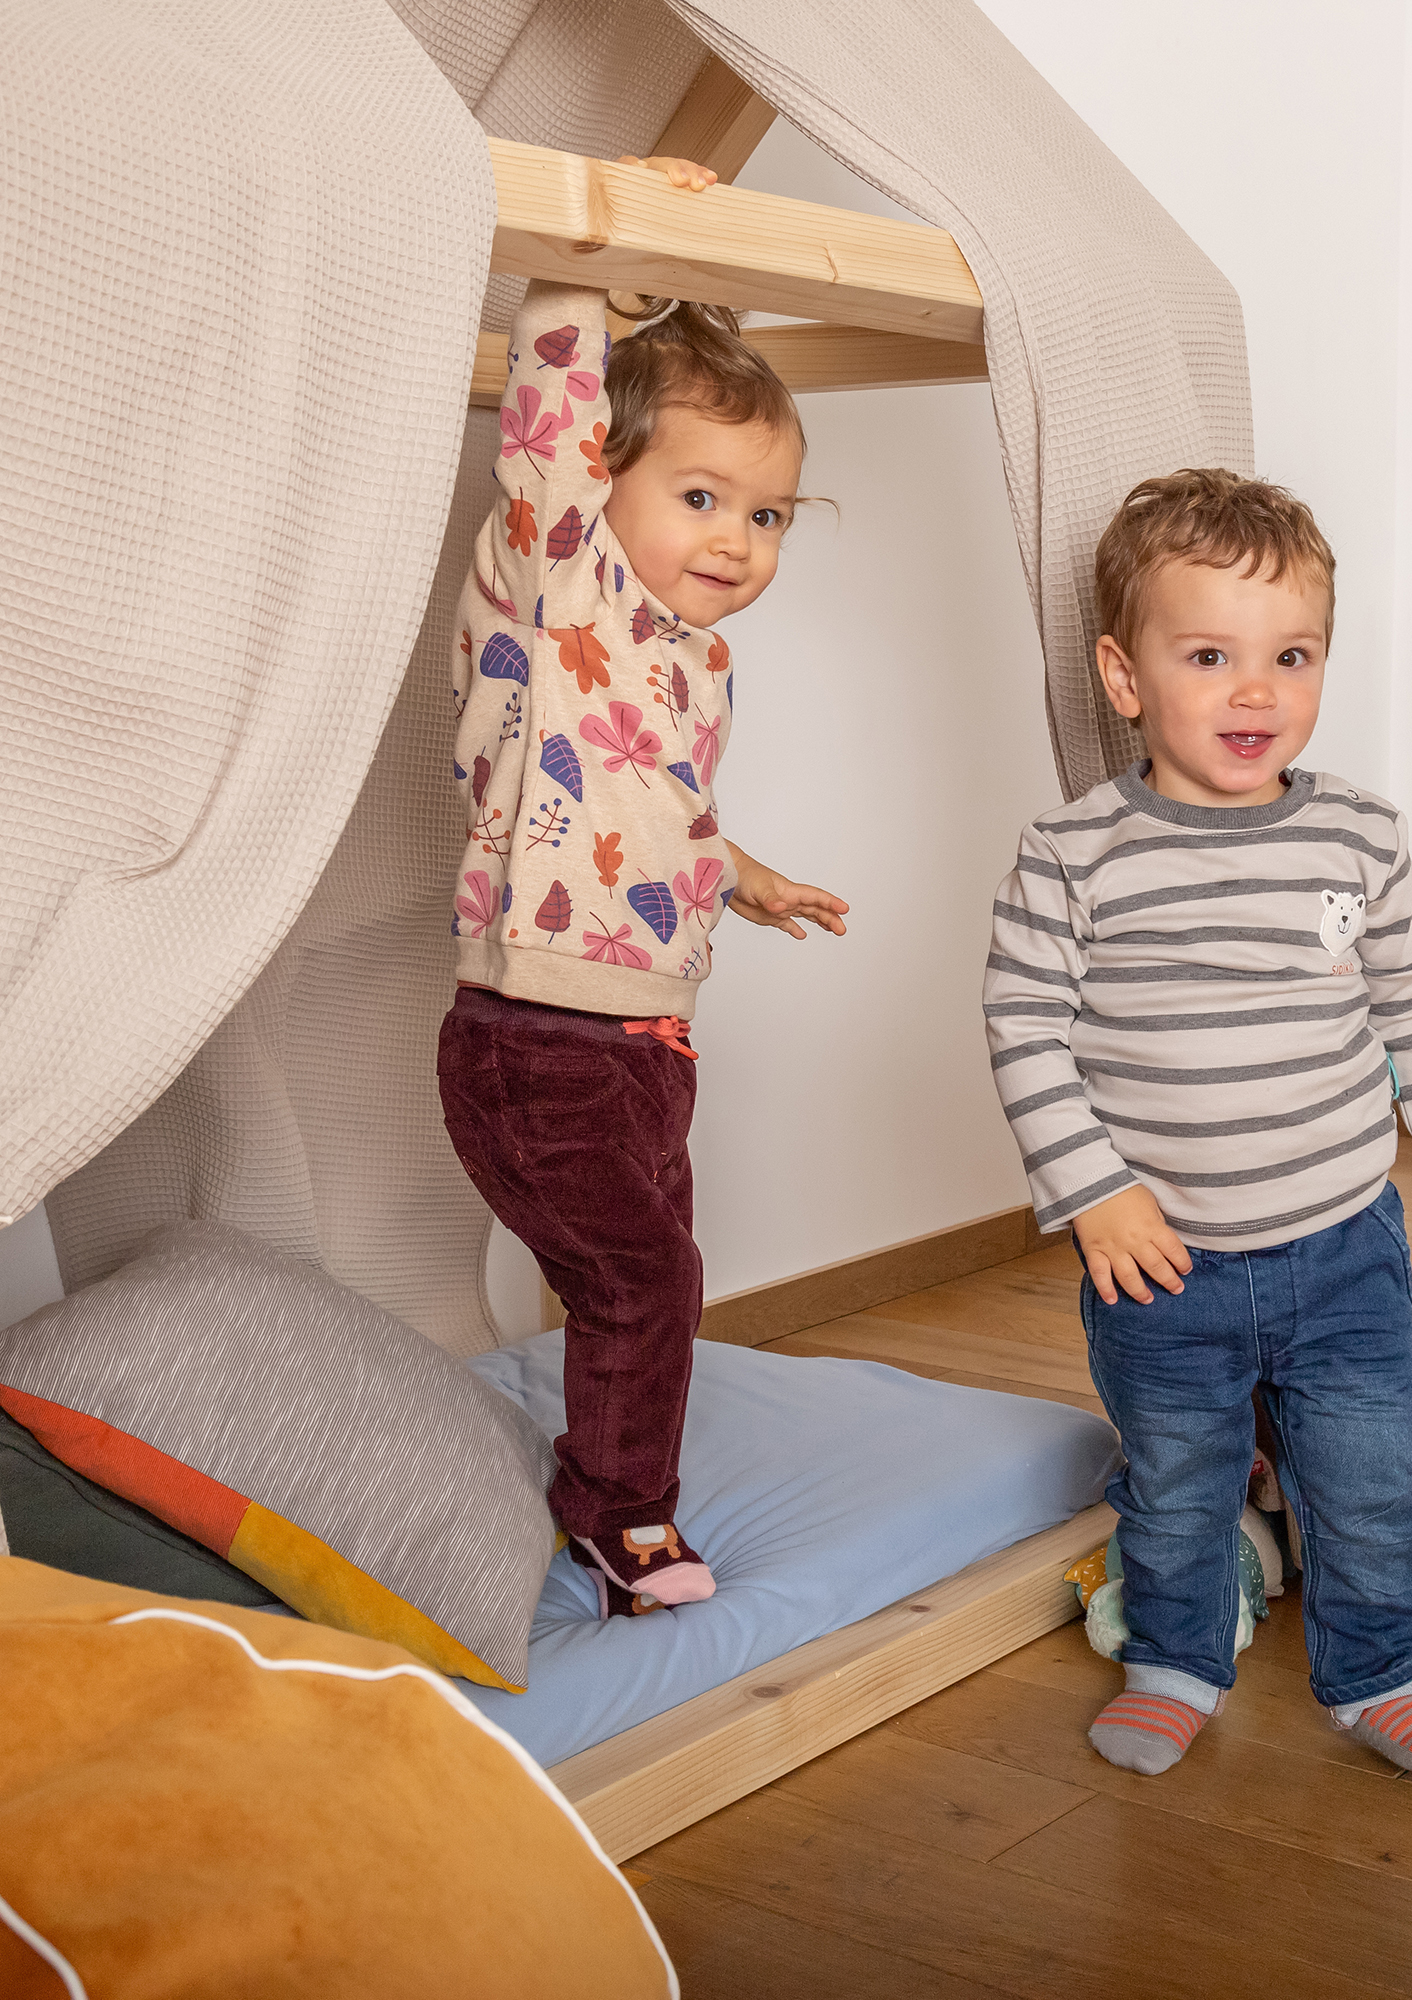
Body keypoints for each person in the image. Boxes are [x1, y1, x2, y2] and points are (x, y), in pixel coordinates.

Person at [984, 468, 1412, 1773]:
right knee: (1177, 1476)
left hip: (1343, 1246)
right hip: (1162, 1263)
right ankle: (1175, 1656)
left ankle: (1379, 1672)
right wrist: (1095, 1192)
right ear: (1125, 678)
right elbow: (1025, 1032)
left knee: (1373, 1472)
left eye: (1290, 656)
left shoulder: (1360, 837)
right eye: (1210, 655)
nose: (1255, 691)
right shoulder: (1073, 856)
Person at [437, 156, 848, 1619]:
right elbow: (551, 415)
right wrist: (590, 257)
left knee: (653, 1271)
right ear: (599, 482)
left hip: (642, 1041)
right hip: (539, 1042)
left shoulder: (686, 657)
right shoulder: (560, 583)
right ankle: (622, 1518)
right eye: (702, 496)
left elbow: (651, 813)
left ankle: (613, 1486)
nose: (742, 539)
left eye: (775, 515)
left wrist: (749, 880)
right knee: (647, 1286)